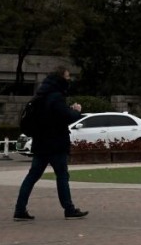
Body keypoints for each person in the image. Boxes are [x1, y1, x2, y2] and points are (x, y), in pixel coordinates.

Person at [13, 65, 88, 221]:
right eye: (67, 77)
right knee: (62, 176)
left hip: (40, 142)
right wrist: (76, 110)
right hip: (55, 143)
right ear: (61, 78)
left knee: (32, 176)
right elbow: (65, 116)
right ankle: (69, 209)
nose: (69, 80)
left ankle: (20, 209)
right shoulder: (55, 97)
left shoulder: (40, 95)